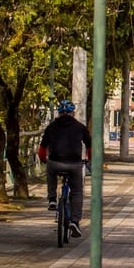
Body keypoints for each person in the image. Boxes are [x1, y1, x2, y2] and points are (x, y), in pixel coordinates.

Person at [39, 99, 91, 238]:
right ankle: (75, 221)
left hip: (55, 163)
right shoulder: (80, 127)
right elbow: (90, 146)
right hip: (74, 165)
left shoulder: (52, 127)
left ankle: (52, 199)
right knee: (77, 192)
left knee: (50, 172)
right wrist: (89, 160)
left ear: (60, 113)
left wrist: (43, 159)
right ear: (73, 112)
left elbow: (42, 148)